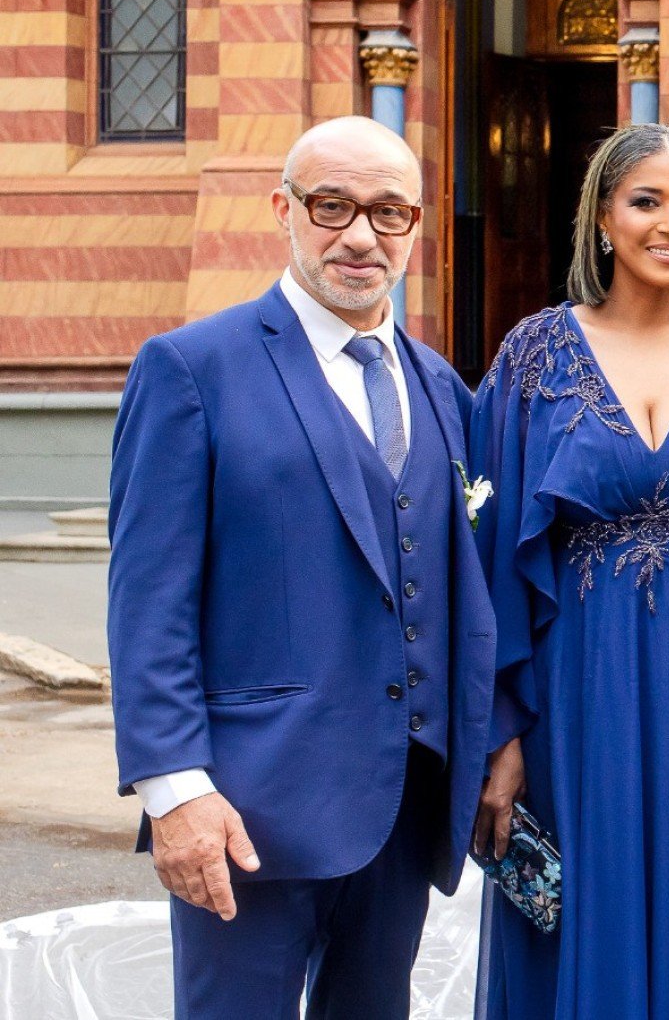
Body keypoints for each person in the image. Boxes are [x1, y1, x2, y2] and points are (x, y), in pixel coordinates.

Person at [106, 117, 498, 1018]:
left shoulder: (443, 388)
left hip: (404, 807)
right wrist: (175, 791)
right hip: (247, 810)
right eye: (333, 206)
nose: (361, 236)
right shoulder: (191, 368)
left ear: (416, 225)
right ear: (284, 209)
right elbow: (148, 603)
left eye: (388, 212)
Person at [471, 125, 669, 1018]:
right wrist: (501, 734)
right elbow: (491, 560)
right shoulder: (533, 355)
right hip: (575, 687)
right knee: (583, 907)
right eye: (647, 201)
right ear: (602, 218)